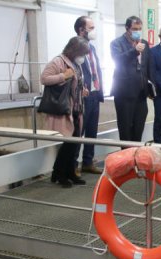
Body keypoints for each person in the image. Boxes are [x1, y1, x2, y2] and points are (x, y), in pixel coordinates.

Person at [41, 36, 90, 188]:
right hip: (65, 109)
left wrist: (82, 91)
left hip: (77, 109)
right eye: (82, 53)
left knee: (74, 144)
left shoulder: (76, 64)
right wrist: (64, 76)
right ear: (74, 50)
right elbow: (44, 79)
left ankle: (67, 173)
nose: (83, 57)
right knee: (68, 143)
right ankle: (61, 174)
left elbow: (76, 84)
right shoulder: (58, 61)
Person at [111, 16, 152, 142]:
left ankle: (136, 155)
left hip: (141, 93)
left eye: (140, 29)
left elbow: (147, 65)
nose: (137, 31)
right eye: (134, 28)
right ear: (127, 28)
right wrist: (134, 51)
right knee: (125, 128)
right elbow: (118, 60)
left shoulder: (144, 42)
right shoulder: (116, 43)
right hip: (124, 93)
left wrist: (151, 87)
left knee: (138, 127)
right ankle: (126, 157)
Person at [74, 16, 104, 174]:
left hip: (94, 93)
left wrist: (100, 91)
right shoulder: (75, 47)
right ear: (81, 29)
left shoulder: (91, 47)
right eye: (91, 28)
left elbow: (95, 69)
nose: (93, 31)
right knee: (79, 131)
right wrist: (80, 89)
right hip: (82, 96)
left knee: (92, 131)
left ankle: (88, 162)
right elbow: (73, 71)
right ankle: (74, 165)